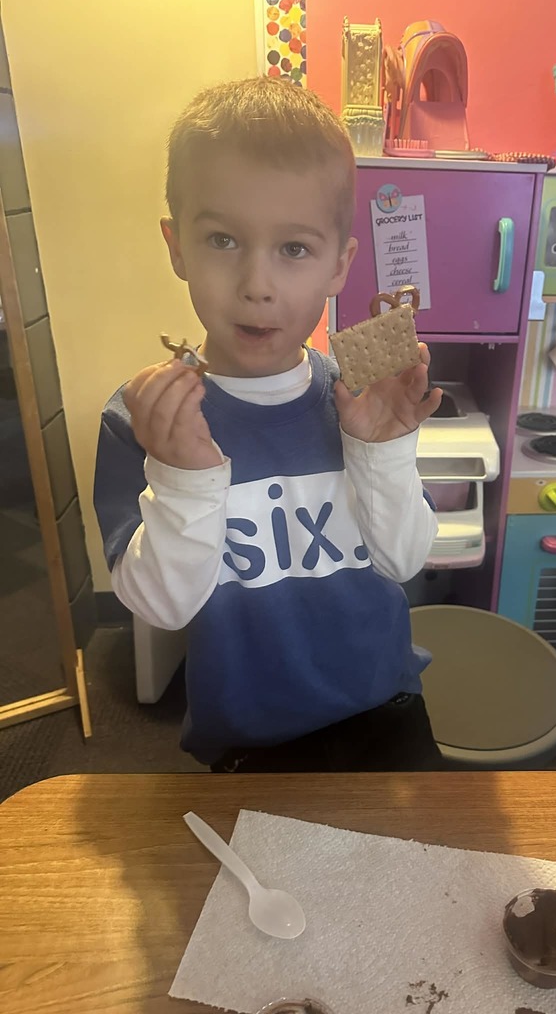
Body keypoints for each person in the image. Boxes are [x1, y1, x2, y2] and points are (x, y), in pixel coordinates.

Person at [93, 76, 445, 773]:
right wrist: (185, 477)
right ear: (177, 247)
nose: (257, 283)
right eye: (223, 239)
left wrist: (382, 452)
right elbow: (161, 607)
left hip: (386, 710)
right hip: (249, 738)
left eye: (293, 249)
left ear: (340, 265)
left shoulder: (360, 396)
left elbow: (404, 560)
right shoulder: (146, 422)